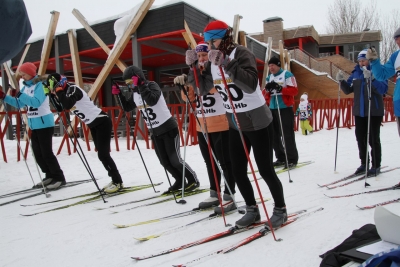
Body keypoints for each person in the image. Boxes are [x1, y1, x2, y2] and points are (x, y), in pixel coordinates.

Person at [196, 20, 287, 229]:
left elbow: (250, 84)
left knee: (265, 169)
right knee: (237, 170)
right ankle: (252, 209)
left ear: (225, 38)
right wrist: (193, 70)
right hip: (235, 122)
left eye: (214, 41)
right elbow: (203, 89)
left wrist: (227, 63)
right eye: (208, 42)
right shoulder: (212, 60)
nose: (211, 46)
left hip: (257, 120)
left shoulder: (241, 53)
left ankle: (280, 209)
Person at [113, 65, 200, 193]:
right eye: (128, 84)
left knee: (175, 160)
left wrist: (142, 85)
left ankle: (193, 179)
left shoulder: (152, 85)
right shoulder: (136, 94)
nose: (131, 86)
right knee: (165, 162)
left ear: (139, 78)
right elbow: (126, 107)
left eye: (132, 82)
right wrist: (119, 94)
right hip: (155, 132)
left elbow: (152, 100)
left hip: (168, 128)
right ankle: (179, 180)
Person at [174, 42, 236, 209]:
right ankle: (214, 192)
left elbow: (208, 88)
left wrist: (195, 77)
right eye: (199, 56)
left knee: (225, 161)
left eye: (204, 55)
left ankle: (229, 193)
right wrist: (184, 86)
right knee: (209, 161)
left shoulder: (215, 71)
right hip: (202, 124)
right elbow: (189, 99)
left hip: (220, 123)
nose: (202, 59)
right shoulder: (194, 72)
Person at [44, 73, 124, 193]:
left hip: (102, 121)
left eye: (55, 87)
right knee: (102, 155)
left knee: (103, 155)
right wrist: (50, 95)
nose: (56, 90)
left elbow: (68, 104)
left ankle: (117, 181)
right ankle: (115, 180)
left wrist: (58, 91)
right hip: (94, 124)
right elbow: (60, 108)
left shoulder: (73, 89)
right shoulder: (64, 92)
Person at [0, 63, 66, 189]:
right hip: (33, 124)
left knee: (46, 153)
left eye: (23, 74)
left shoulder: (40, 86)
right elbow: (19, 104)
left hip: (44, 123)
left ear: (30, 73)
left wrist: (19, 94)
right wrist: (5, 97)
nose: (22, 77)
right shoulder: (26, 88)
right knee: (37, 153)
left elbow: (36, 102)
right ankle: (49, 175)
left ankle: (59, 177)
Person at [337, 49, 388, 176]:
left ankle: (376, 165)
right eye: (359, 61)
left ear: (369, 60)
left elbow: (383, 90)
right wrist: (341, 81)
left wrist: (371, 78)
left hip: (374, 110)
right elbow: (348, 90)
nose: (361, 63)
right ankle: (364, 163)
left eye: (364, 60)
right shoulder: (356, 73)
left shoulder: (378, 71)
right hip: (359, 111)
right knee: (360, 138)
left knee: (373, 138)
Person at [263, 57, 299, 169]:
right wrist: (267, 90)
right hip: (273, 107)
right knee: (274, 134)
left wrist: (280, 89)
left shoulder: (287, 74)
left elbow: (294, 90)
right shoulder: (269, 77)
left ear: (278, 65)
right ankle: (281, 157)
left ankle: (292, 159)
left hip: (285, 107)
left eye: (273, 65)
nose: (271, 68)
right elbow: (265, 94)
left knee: (287, 134)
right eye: (269, 66)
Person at [367, 27, 400, 137]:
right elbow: (381, 75)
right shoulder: (396, 56)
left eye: (399, 38)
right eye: (396, 39)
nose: (398, 41)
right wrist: (374, 61)